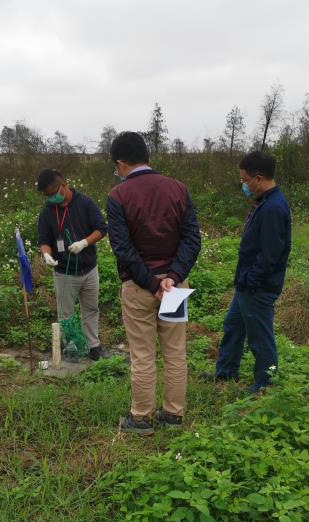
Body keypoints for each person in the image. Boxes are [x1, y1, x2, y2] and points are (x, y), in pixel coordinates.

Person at [107, 132, 201, 435]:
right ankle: (174, 415)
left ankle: (142, 418)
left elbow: (122, 248)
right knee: (175, 350)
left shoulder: (118, 196)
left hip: (138, 287)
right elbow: (191, 239)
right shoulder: (179, 189)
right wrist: (172, 277)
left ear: (121, 164)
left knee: (143, 353)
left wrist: (151, 283)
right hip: (175, 286)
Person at [206, 151, 291, 394]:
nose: (243, 185)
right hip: (246, 284)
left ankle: (265, 383)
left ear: (259, 178)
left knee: (260, 337)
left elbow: (270, 254)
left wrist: (251, 280)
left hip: (258, 286)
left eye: (245, 180)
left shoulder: (274, 208)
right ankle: (225, 371)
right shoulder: (263, 203)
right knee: (233, 326)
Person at [36, 169, 108, 360]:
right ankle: (71, 347)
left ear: (64, 185)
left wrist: (85, 242)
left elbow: (101, 228)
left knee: (91, 309)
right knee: (65, 312)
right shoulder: (47, 212)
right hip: (64, 272)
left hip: (88, 268)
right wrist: (46, 255)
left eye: (53, 194)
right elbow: (43, 239)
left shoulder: (85, 202)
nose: (51, 198)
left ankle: (94, 346)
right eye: (47, 196)